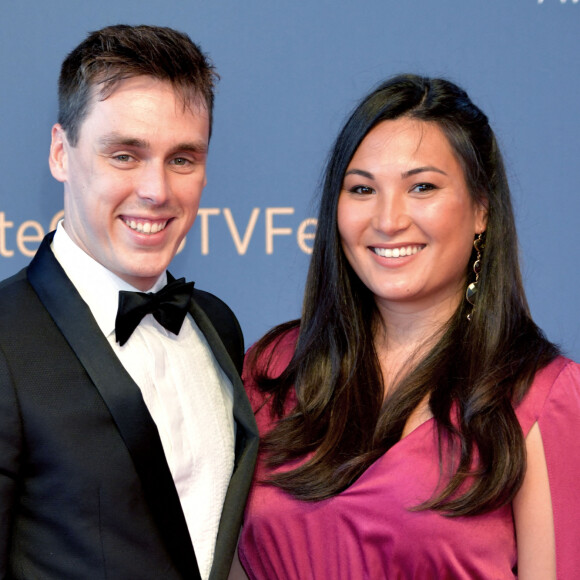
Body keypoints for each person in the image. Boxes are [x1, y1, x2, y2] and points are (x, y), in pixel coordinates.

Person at [234, 74, 580, 579]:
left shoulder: (542, 397)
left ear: (481, 208)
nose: (388, 219)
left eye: (422, 187)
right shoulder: (275, 367)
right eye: (362, 189)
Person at [0, 25, 258, 580]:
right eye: (124, 155)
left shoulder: (217, 325)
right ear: (60, 153)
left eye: (183, 159)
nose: (157, 190)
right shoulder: (4, 338)